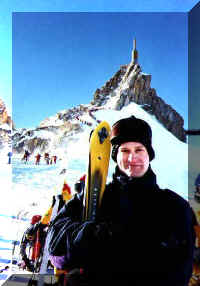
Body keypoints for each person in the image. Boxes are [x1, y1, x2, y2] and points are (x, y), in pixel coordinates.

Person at [48, 115, 195, 286]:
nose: (132, 158)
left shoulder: (174, 206)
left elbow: (180, 274)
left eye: (139, 150)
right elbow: (54, 251)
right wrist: (89, 235)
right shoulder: (92, 197)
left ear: (149, 154)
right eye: (124, 151)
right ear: (115, 156)